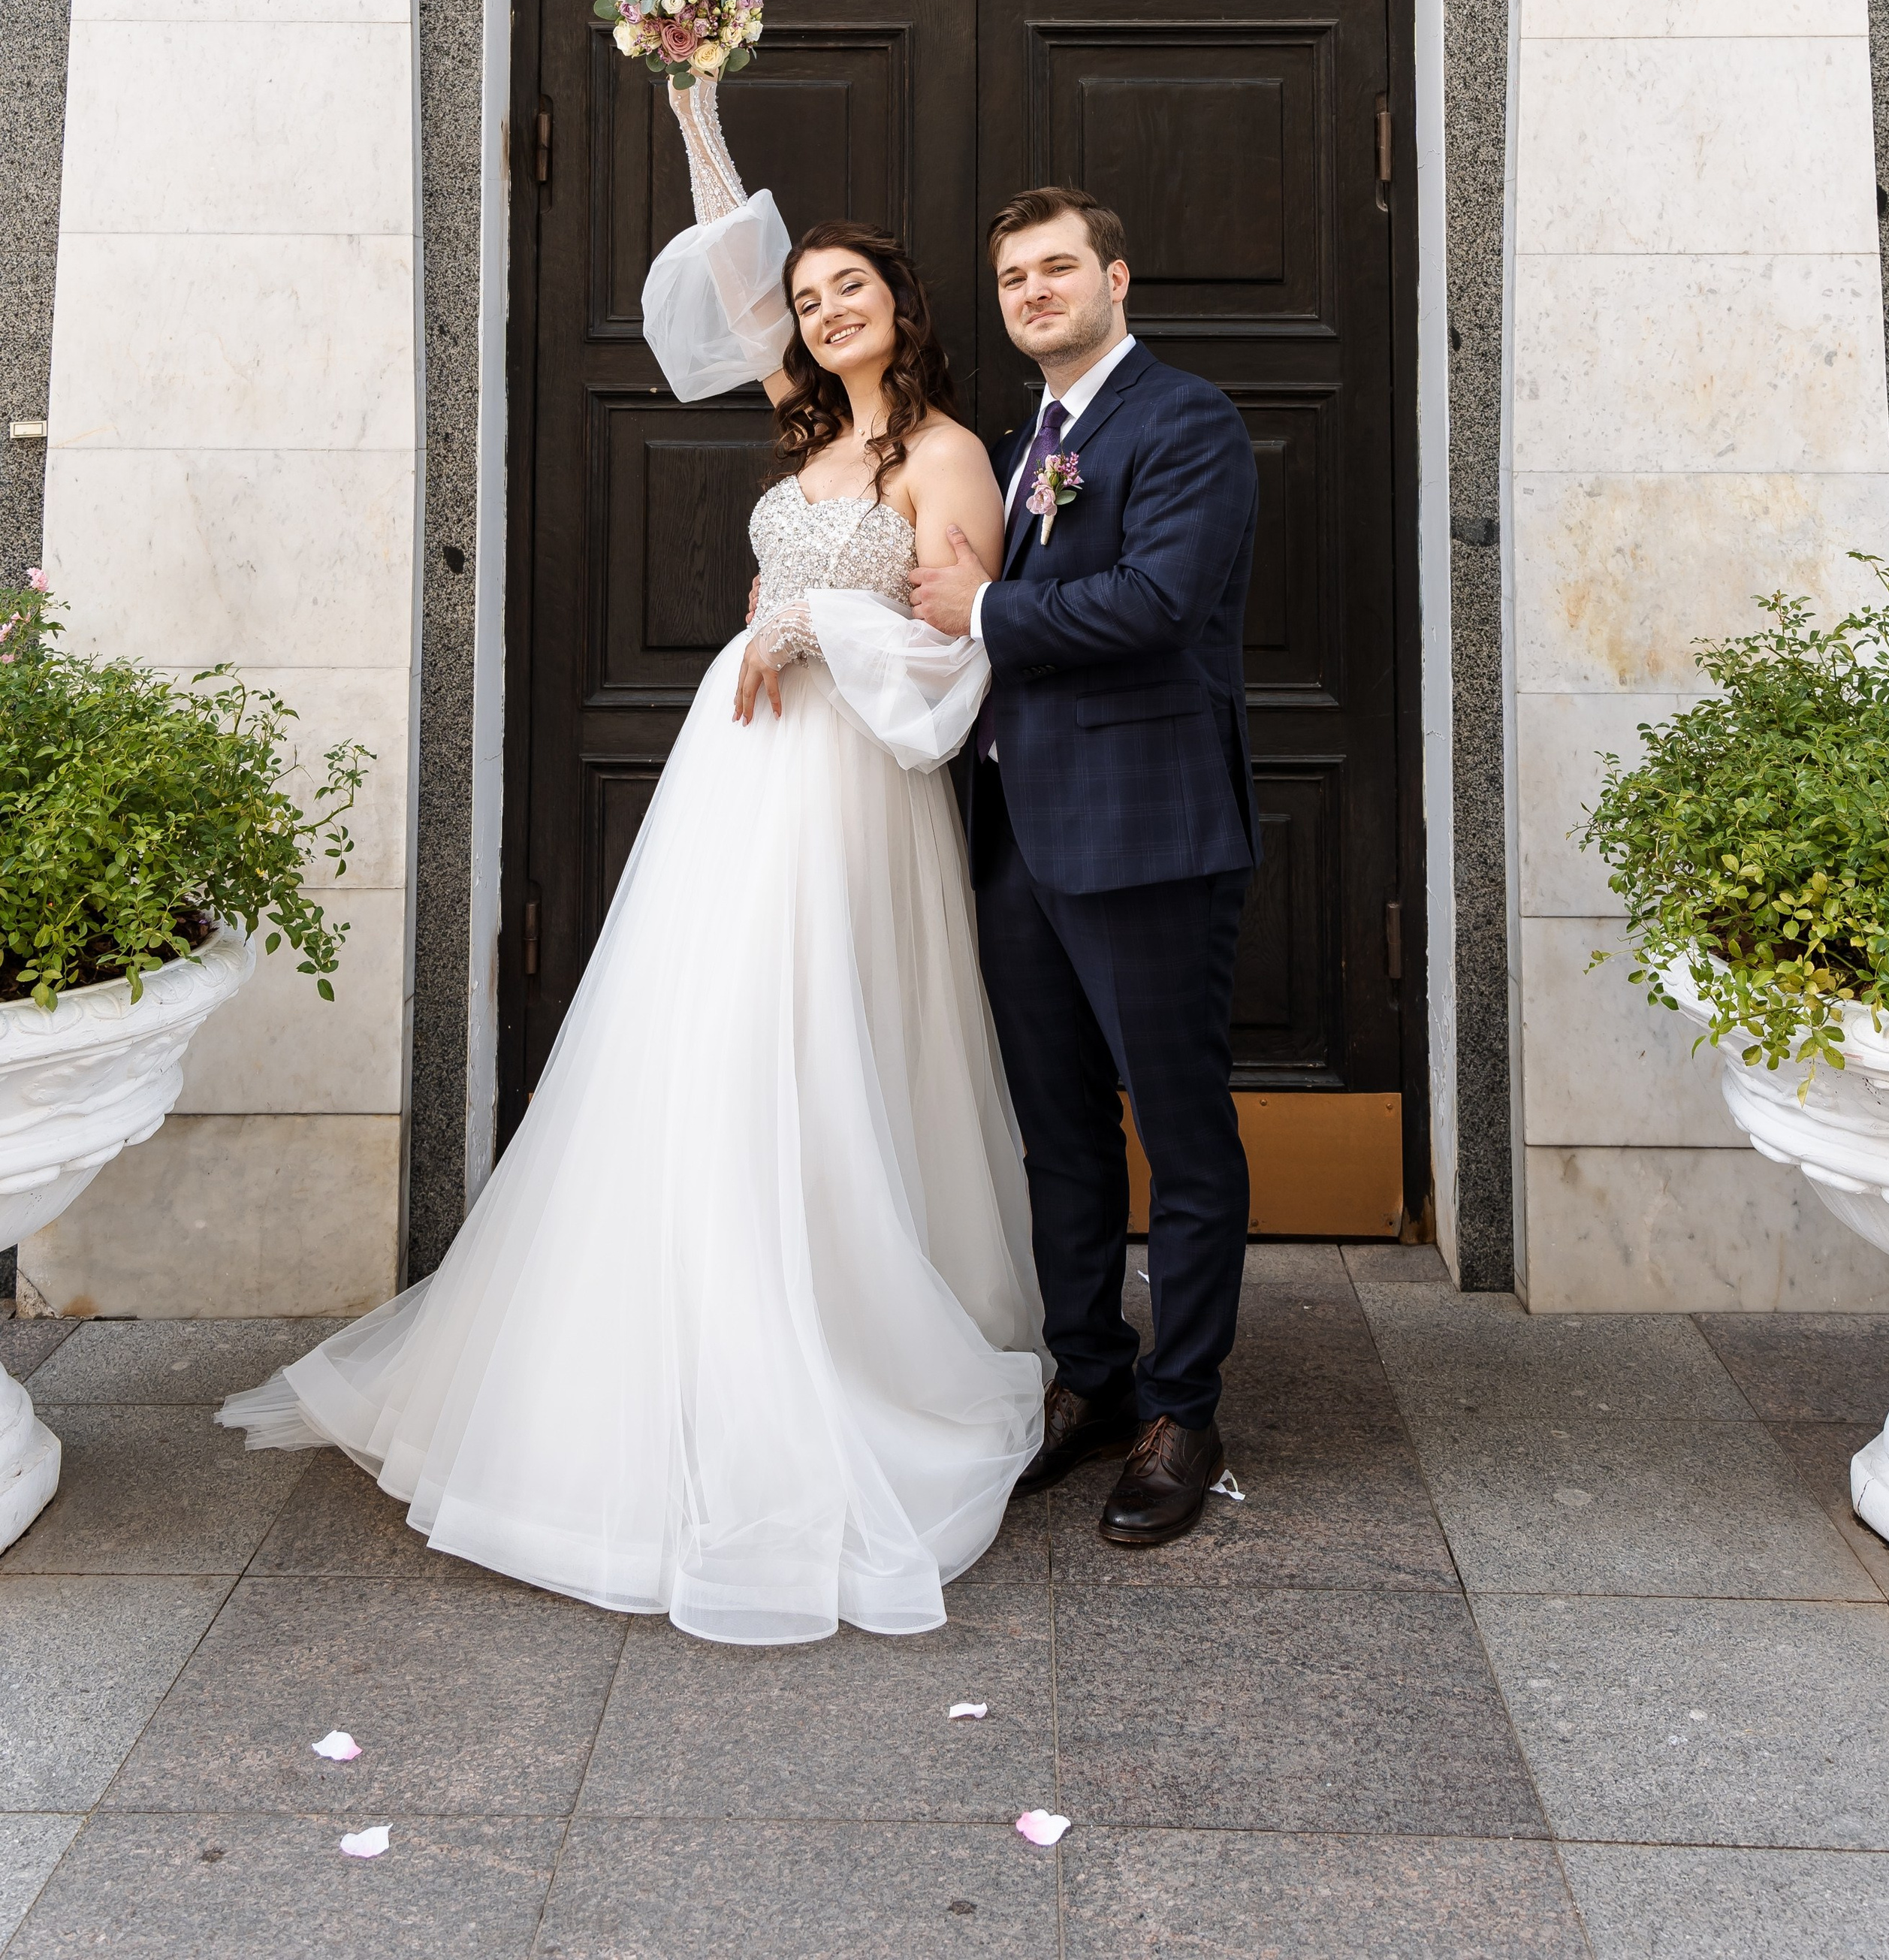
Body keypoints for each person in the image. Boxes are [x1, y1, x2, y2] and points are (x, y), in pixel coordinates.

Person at [220, 92, 1044, 1647]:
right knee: (695, 1034)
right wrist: (695, 107)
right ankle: (666, 1316)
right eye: (809, 299)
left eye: (846, 289)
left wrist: (822, 621)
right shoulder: (807, 425)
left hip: (850, 789)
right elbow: (732, 278)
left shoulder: (942, 453)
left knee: (812, 1040)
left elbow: (962, 639)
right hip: (734, 776)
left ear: (902, 306)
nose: (818, 309)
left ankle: (835, 1327)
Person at [911, 187, 1260, 1551]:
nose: (1035, 291)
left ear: (1118, 277)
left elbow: (1160, 603)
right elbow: (946, 607)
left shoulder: (1186, 422)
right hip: (1017, 841)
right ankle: (1092, 1378)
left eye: (1059, 268)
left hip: (1149, 834)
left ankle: (1186, 1406)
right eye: (1013, 277)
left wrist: (990, 607)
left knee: (1181, 1134)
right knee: (1055, 1129)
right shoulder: (1014, 447)